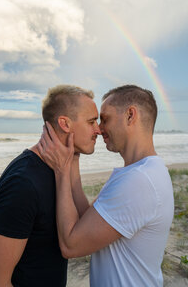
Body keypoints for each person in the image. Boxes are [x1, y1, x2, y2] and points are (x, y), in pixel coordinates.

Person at [37, 85, 174, 287]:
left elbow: (71, 245)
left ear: (130, 115)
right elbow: (87, 220)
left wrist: (61, 171)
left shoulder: (139, 181)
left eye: (105, 119)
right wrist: (73, 156)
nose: (99, 129)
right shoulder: (141, 172)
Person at [0, 84, 101, 287]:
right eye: (92, 122)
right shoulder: (22, 183)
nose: (98, 130)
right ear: (65, 123)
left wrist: (73, 158)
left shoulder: (61, 170)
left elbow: (82, 225)